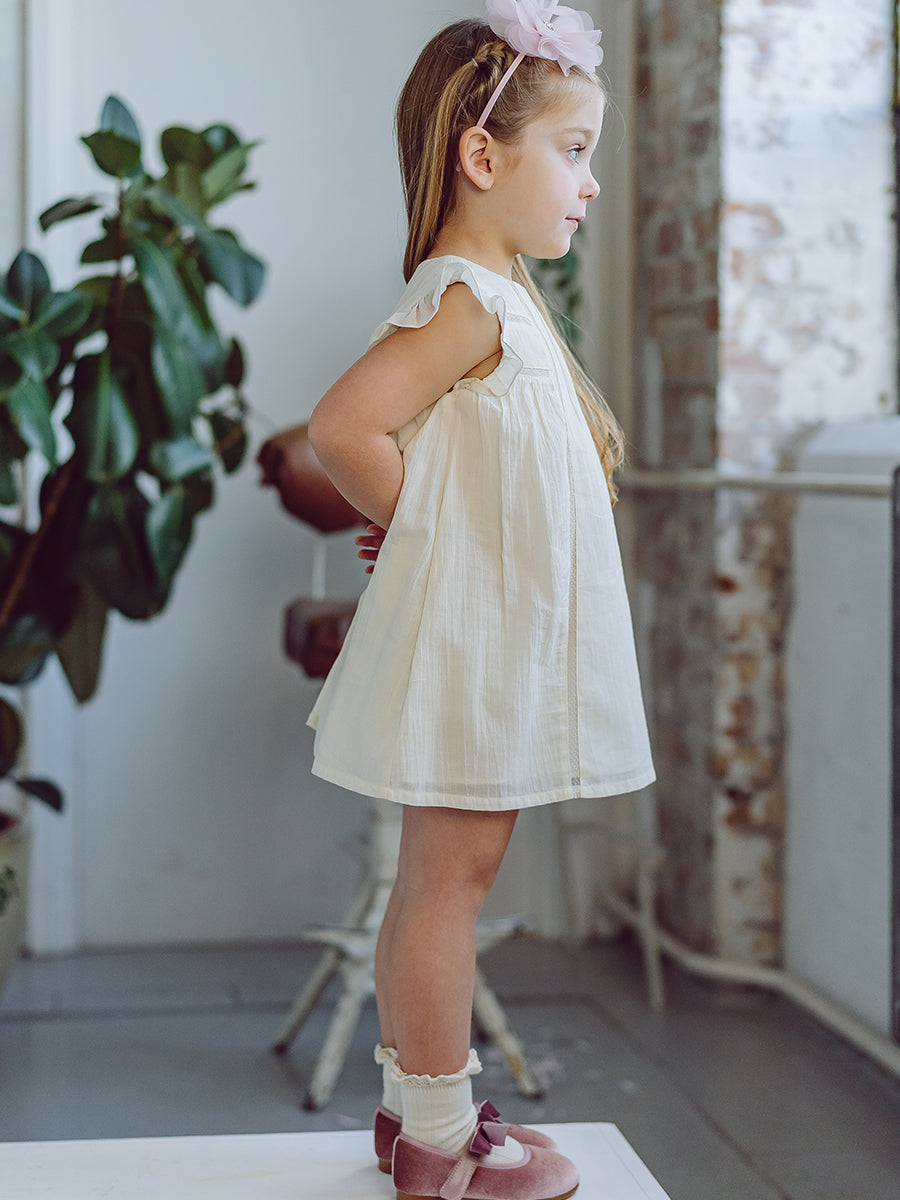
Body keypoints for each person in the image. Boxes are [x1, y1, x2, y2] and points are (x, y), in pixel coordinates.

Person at [300, 4, 655, 1197]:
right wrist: (425, 540)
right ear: (483, 156)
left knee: (436, 881)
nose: (590, 183)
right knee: (450, 886)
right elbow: (343, 429)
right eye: (575, 150)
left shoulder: (499, 299)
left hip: (489, 649)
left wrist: (431, 527)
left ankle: (414, 1116)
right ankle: (444, 1148)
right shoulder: (467, 299)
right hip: (475, 649)